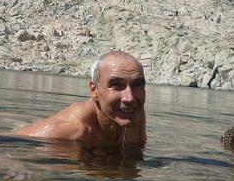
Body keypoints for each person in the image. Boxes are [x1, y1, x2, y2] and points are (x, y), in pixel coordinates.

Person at [13, 51, 146, 147]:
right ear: (94, 90)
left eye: (138, 84)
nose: (129, 98)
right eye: (116, 84)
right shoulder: (67, 131)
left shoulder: (132, 112)